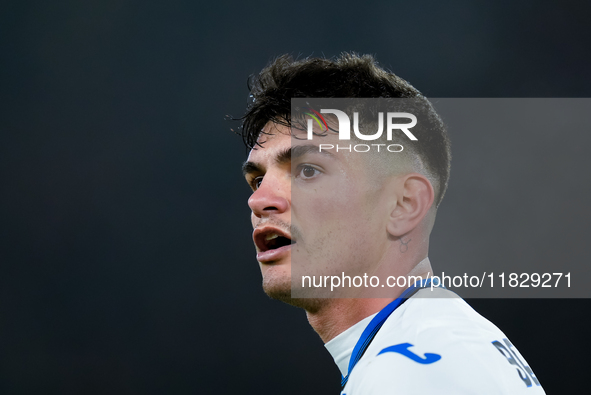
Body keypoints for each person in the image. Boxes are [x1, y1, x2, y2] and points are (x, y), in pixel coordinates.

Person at [239, 53, 545, 394]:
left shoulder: (412, 370)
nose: (259, 200)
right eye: (258, 180)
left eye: (308, 170)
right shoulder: (439, 343)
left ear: (404, 205)